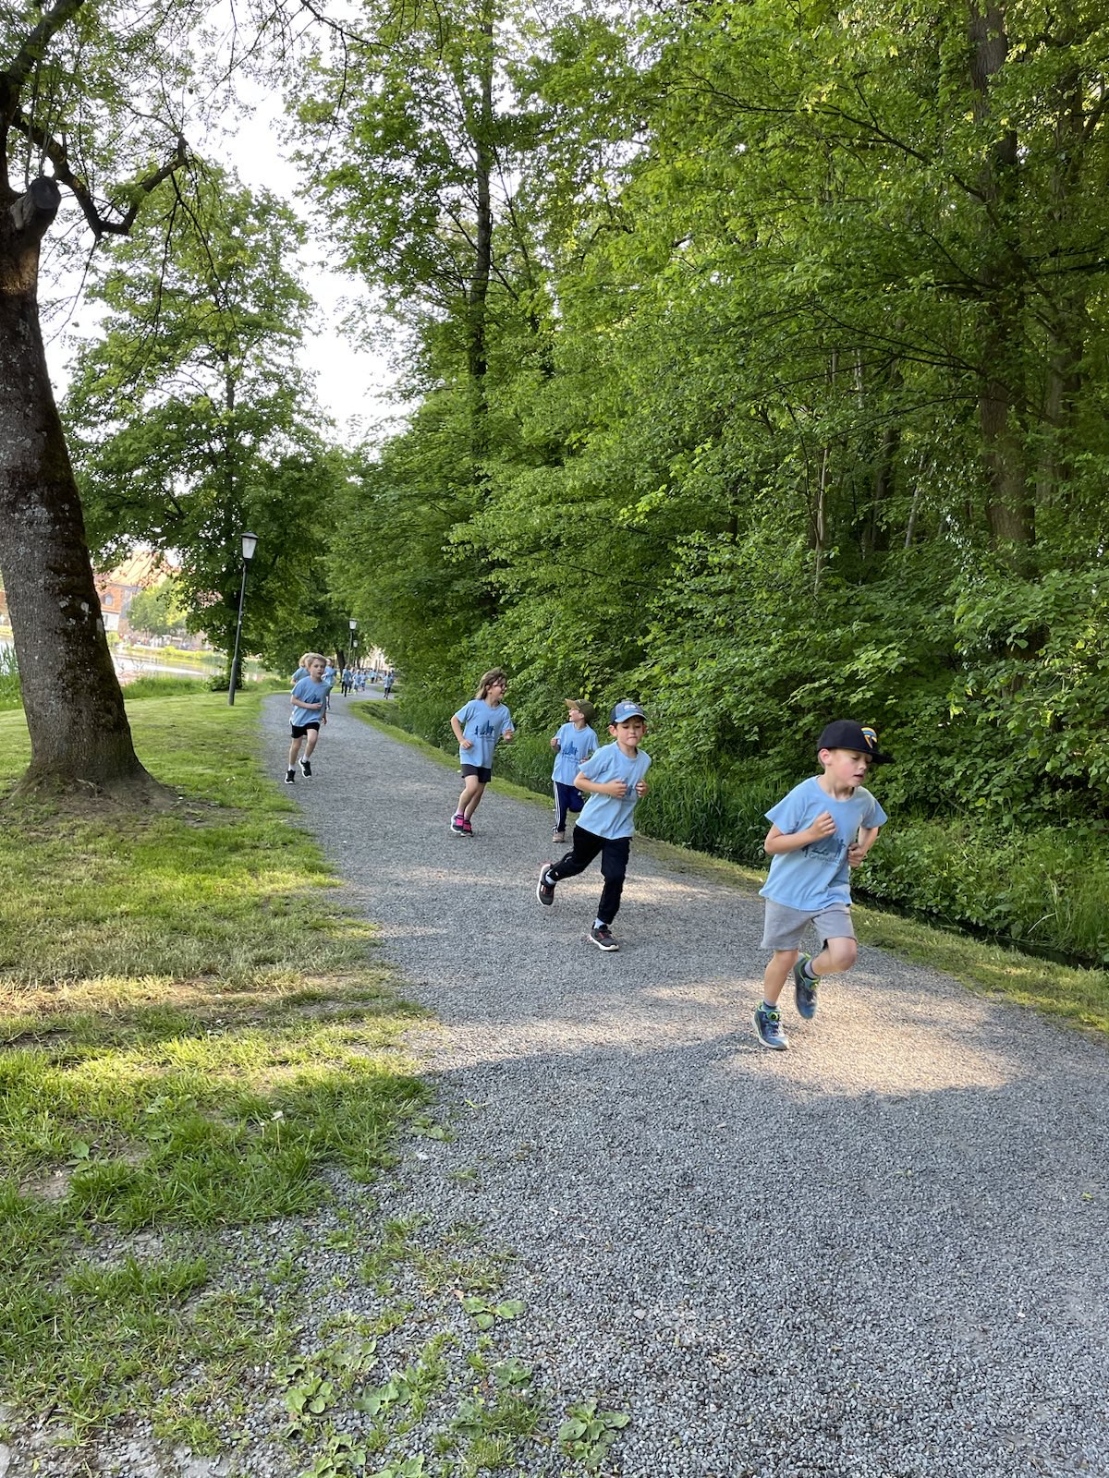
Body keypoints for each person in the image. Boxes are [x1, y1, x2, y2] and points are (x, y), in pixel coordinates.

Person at [752, 719, 892, 1050]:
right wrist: (811, 834)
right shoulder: (805, 795)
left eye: (867, 761)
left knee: (844, 955)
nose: (863, 766)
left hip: (831, 890)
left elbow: (873, 824)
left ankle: (809, 972)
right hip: (789, 891)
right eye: (854, 758)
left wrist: (862, 849)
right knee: (784, 956)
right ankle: (767, 1010)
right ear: (826, 756)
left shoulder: (863, 799)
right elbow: (771, 844)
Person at [536, 699, 651, 952]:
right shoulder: (606, 754)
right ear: (613, 730)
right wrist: (606, 789)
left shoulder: (644, 759)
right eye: (625, 726)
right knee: (577, 864)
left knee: (615, 876)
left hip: (620, 829)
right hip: (591, 825)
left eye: (637, 726)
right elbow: (579, 781)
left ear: (644, 730)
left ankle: (601, 926)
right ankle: (551, 875)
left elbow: (636, 783)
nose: (632, 731)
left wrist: (643, 788)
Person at [449, 669, 515, 835]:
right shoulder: (474, 705)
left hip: (485, 757)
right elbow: (455, 720)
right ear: (488, 688)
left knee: (478, 792)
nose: (504, 688)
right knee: (471, 787)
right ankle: (458, 814)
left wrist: (508, 736)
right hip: (470, 754)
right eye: (500, 685)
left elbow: (507, 733)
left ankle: (466, 820)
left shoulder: (504, 711)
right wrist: (462, 740)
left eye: (505, 685)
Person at [549, 699, 599, 844]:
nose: (569, 712)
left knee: (576, 806)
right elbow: (558, 748)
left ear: (582, 715)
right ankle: (559, 830)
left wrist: (589, 760)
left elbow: (597, 754)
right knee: (561, 805)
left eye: (573, 709)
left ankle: (589, 824)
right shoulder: (565, 728)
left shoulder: (590, 735)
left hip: (577, 778)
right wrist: (554, 745)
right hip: (560, 774)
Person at [286, 654, 330, 783]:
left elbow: (323, 701)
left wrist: (324, 714)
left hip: (314, 718)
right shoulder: (302, 683)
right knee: (296, 745)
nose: (319, 669)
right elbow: (293, 700)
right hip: (299, 718)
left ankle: (304, 760)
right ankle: (291, 769)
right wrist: (309, 706)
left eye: (322, 666)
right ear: (309, 668)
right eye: (316, 666)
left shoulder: (326, 686)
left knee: (312, 738)